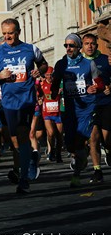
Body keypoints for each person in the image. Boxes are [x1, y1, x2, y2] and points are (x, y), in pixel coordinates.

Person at [0, 18, 48, 194]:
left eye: (10, 33)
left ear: (18, 32)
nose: (7, 37)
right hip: (8, 102)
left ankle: (24, 178)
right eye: (4, 34)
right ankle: (29, 161)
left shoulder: (30, 49)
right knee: (13, 140)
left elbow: (44, 64)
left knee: (23, 136)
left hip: (27, 100)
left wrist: (39, 70)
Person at [51, 34, 103, 187]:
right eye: (66, 45)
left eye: (71, 45)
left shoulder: (89, 64)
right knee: (70, 145)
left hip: (87, 108)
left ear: (79, 47)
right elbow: (55, 83)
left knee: (82, 140)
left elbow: (100, 84)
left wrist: (95, 88)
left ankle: (77, 174)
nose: (68, 48)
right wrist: (54, 92)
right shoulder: (61, 65)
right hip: (70, 109)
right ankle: (83, 154)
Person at [82, 33, 111, 183]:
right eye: (86, 43)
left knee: (106, 138)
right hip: (89, 106)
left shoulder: (105, 60)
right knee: (93, 138)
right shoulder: (78, 63)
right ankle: (97, 170)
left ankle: (108, 149)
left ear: (97, 45)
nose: (90, 46)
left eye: (92, 43)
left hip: (106, 103)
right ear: (82, 46)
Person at [37, 67, 64, 164]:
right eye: (47, 75)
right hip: (47, 113)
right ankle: (52, 150)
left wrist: (61, 93)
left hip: (57, 113)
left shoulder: (58, 84)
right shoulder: (42, 84)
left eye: (51, 75)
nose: (49, 77)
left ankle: (59, 154)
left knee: (59, 135)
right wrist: (39, 98)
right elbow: (38, 93)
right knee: (51, 133)